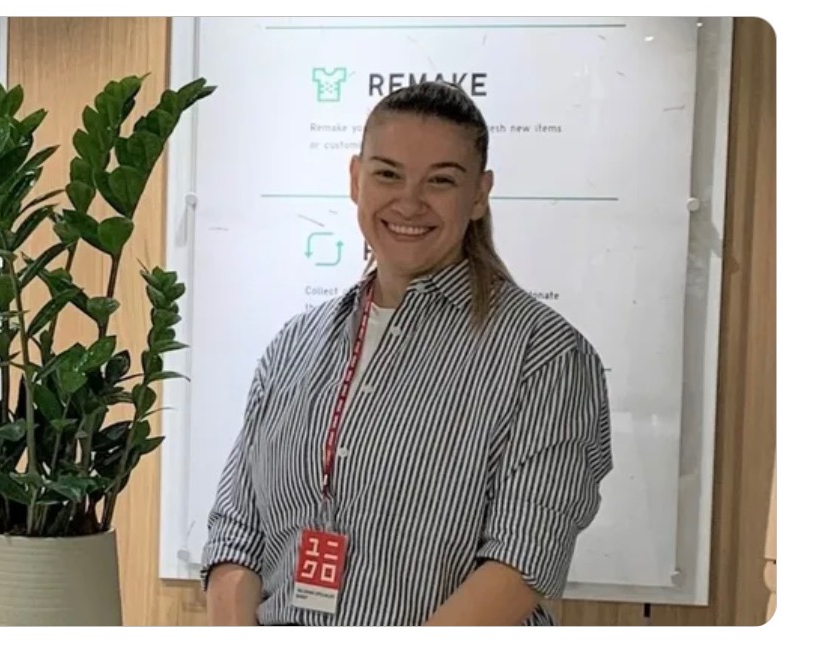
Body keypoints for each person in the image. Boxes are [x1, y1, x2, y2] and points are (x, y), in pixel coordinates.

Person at [200, 81, 614, 627]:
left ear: (480, 194)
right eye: (388, 174)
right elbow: (235, 535)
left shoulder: (545, 356)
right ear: (356, 179)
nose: (409, 202)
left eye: (441, 180)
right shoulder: (294, 346)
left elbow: (521, 562)